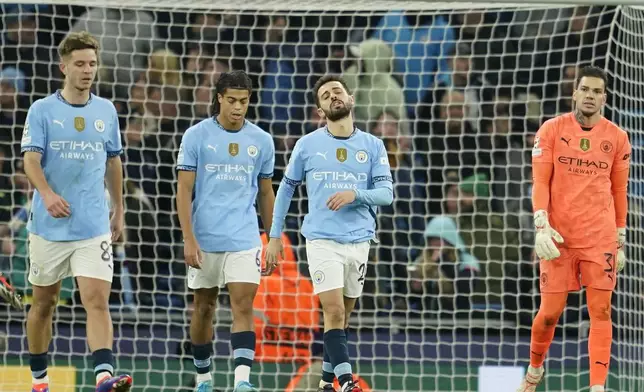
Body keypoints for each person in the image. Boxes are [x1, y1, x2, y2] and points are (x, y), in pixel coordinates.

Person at [265, 75, 394, 392]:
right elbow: (286, 189)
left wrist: (356, 194)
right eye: (325, 95)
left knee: (342, 319)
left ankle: (324, 381)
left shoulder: (373, 145)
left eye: (337, 91)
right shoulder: (307, 145)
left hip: (360, 241)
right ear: (320, 109)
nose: (333, 96)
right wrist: (274, 236)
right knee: (333, 310)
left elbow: (386, 193)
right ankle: (347, 382)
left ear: (351, 98)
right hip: (322, 240)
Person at [20, 31, 132, 392]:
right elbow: (30, 160)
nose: (87, 71)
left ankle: (103, 376)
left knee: (96, 302)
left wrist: (119, 210)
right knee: (43, 305)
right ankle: (39, 381)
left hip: (93, 226)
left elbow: (114, 162)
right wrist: (48, 194)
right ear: (63, 66)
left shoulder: (106, 110)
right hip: (48, 228)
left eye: (92, 64)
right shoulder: (42, 110)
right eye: (80, 64)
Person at [517, 65, 631, 392]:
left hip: (600, 237)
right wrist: (541, 222)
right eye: (586, 90)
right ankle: (535, 370)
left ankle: (598, 387)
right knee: (549, 315)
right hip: (558, 238)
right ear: (575, 93)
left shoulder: (618, 138)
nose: (591, 96)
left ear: (604, 98)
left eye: (597, 91)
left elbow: (619, 190)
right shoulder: (551, 130)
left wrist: (620, 236)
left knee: (601, 309)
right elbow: (540, 180)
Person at [176, 70, 277, 392]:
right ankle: (204, 379)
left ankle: (243, 381)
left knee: (243, 306)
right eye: (231, 100)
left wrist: (272, 238)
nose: (237, 107)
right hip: (205, 238)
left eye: (244, 102)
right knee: (204, 308)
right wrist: (188, 238)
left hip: (244, 237)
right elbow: (183, 190)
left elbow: (265, 192)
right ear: (219, 98)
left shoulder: (261, 140)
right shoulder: (196, 136)